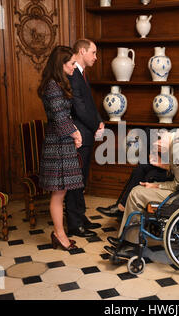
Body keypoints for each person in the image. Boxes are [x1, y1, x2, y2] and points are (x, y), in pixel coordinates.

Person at [96, 93, 179, 218]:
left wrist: (163, 164)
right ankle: (121, 206)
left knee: (150, 173)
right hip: (173, 162)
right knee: (141, 166)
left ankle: (122, 208)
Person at [104, 128, 179, 254]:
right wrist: (164, 169)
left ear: (160, 144)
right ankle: (127, 239)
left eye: (160, 151)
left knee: (136, 194)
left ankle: (131, 245)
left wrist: (157, 186)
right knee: (139, 190)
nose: (162, 153)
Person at [37, 45, 83, 251]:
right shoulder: (52, 86)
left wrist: (74, 133)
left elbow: (65, 117)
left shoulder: (56, 84)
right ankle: (59, 234)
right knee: (58, 193)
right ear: (61, 64)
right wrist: (76, 133)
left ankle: (59, 233)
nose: (74, 66)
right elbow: (59, 118)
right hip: (57, 146)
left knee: (61, 192)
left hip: (62, 144)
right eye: (72, 63)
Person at [65, 39, 104, 238]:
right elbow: (78, 107)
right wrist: (95, 125)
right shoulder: (72, 74)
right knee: (75, 181)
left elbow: (89, 103)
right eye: (94, 53)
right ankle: (73, 224)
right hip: (78, 136)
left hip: (87, 134)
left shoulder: (81, 74)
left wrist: (100, 120)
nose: (96, 57)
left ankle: (80, 217)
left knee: (82, 180)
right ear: (82, 51)